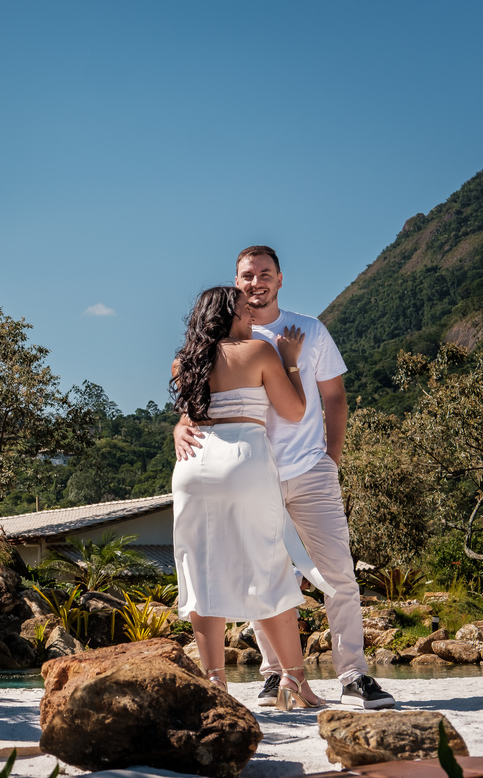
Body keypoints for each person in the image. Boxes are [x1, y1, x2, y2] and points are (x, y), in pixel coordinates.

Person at [175, 245, 396, 710]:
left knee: (336, 572)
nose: (255, 282)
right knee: (261, 571)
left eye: (264, 273)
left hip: (303, 470)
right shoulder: (244, 341)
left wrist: (331, 459)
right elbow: (202, 404)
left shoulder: (309, 330)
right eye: (247, 275)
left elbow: (334, 398)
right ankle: (276, 674)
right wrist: (181, 423)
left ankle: (353, 675)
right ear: (236, 285)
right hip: (256, 474)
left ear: (279, 279)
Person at [170, 285, 326, 710]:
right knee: (268, 564)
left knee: (200, 571)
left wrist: (177, 428)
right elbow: (294, 411)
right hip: (242, 458)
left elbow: (188, 416)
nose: (252, 311)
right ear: (229, 313)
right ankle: (294, 679)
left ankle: (215, 681)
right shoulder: (258, 351)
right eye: (245, 306)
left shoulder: (185, 361)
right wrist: (290, 361)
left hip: (193, 465)